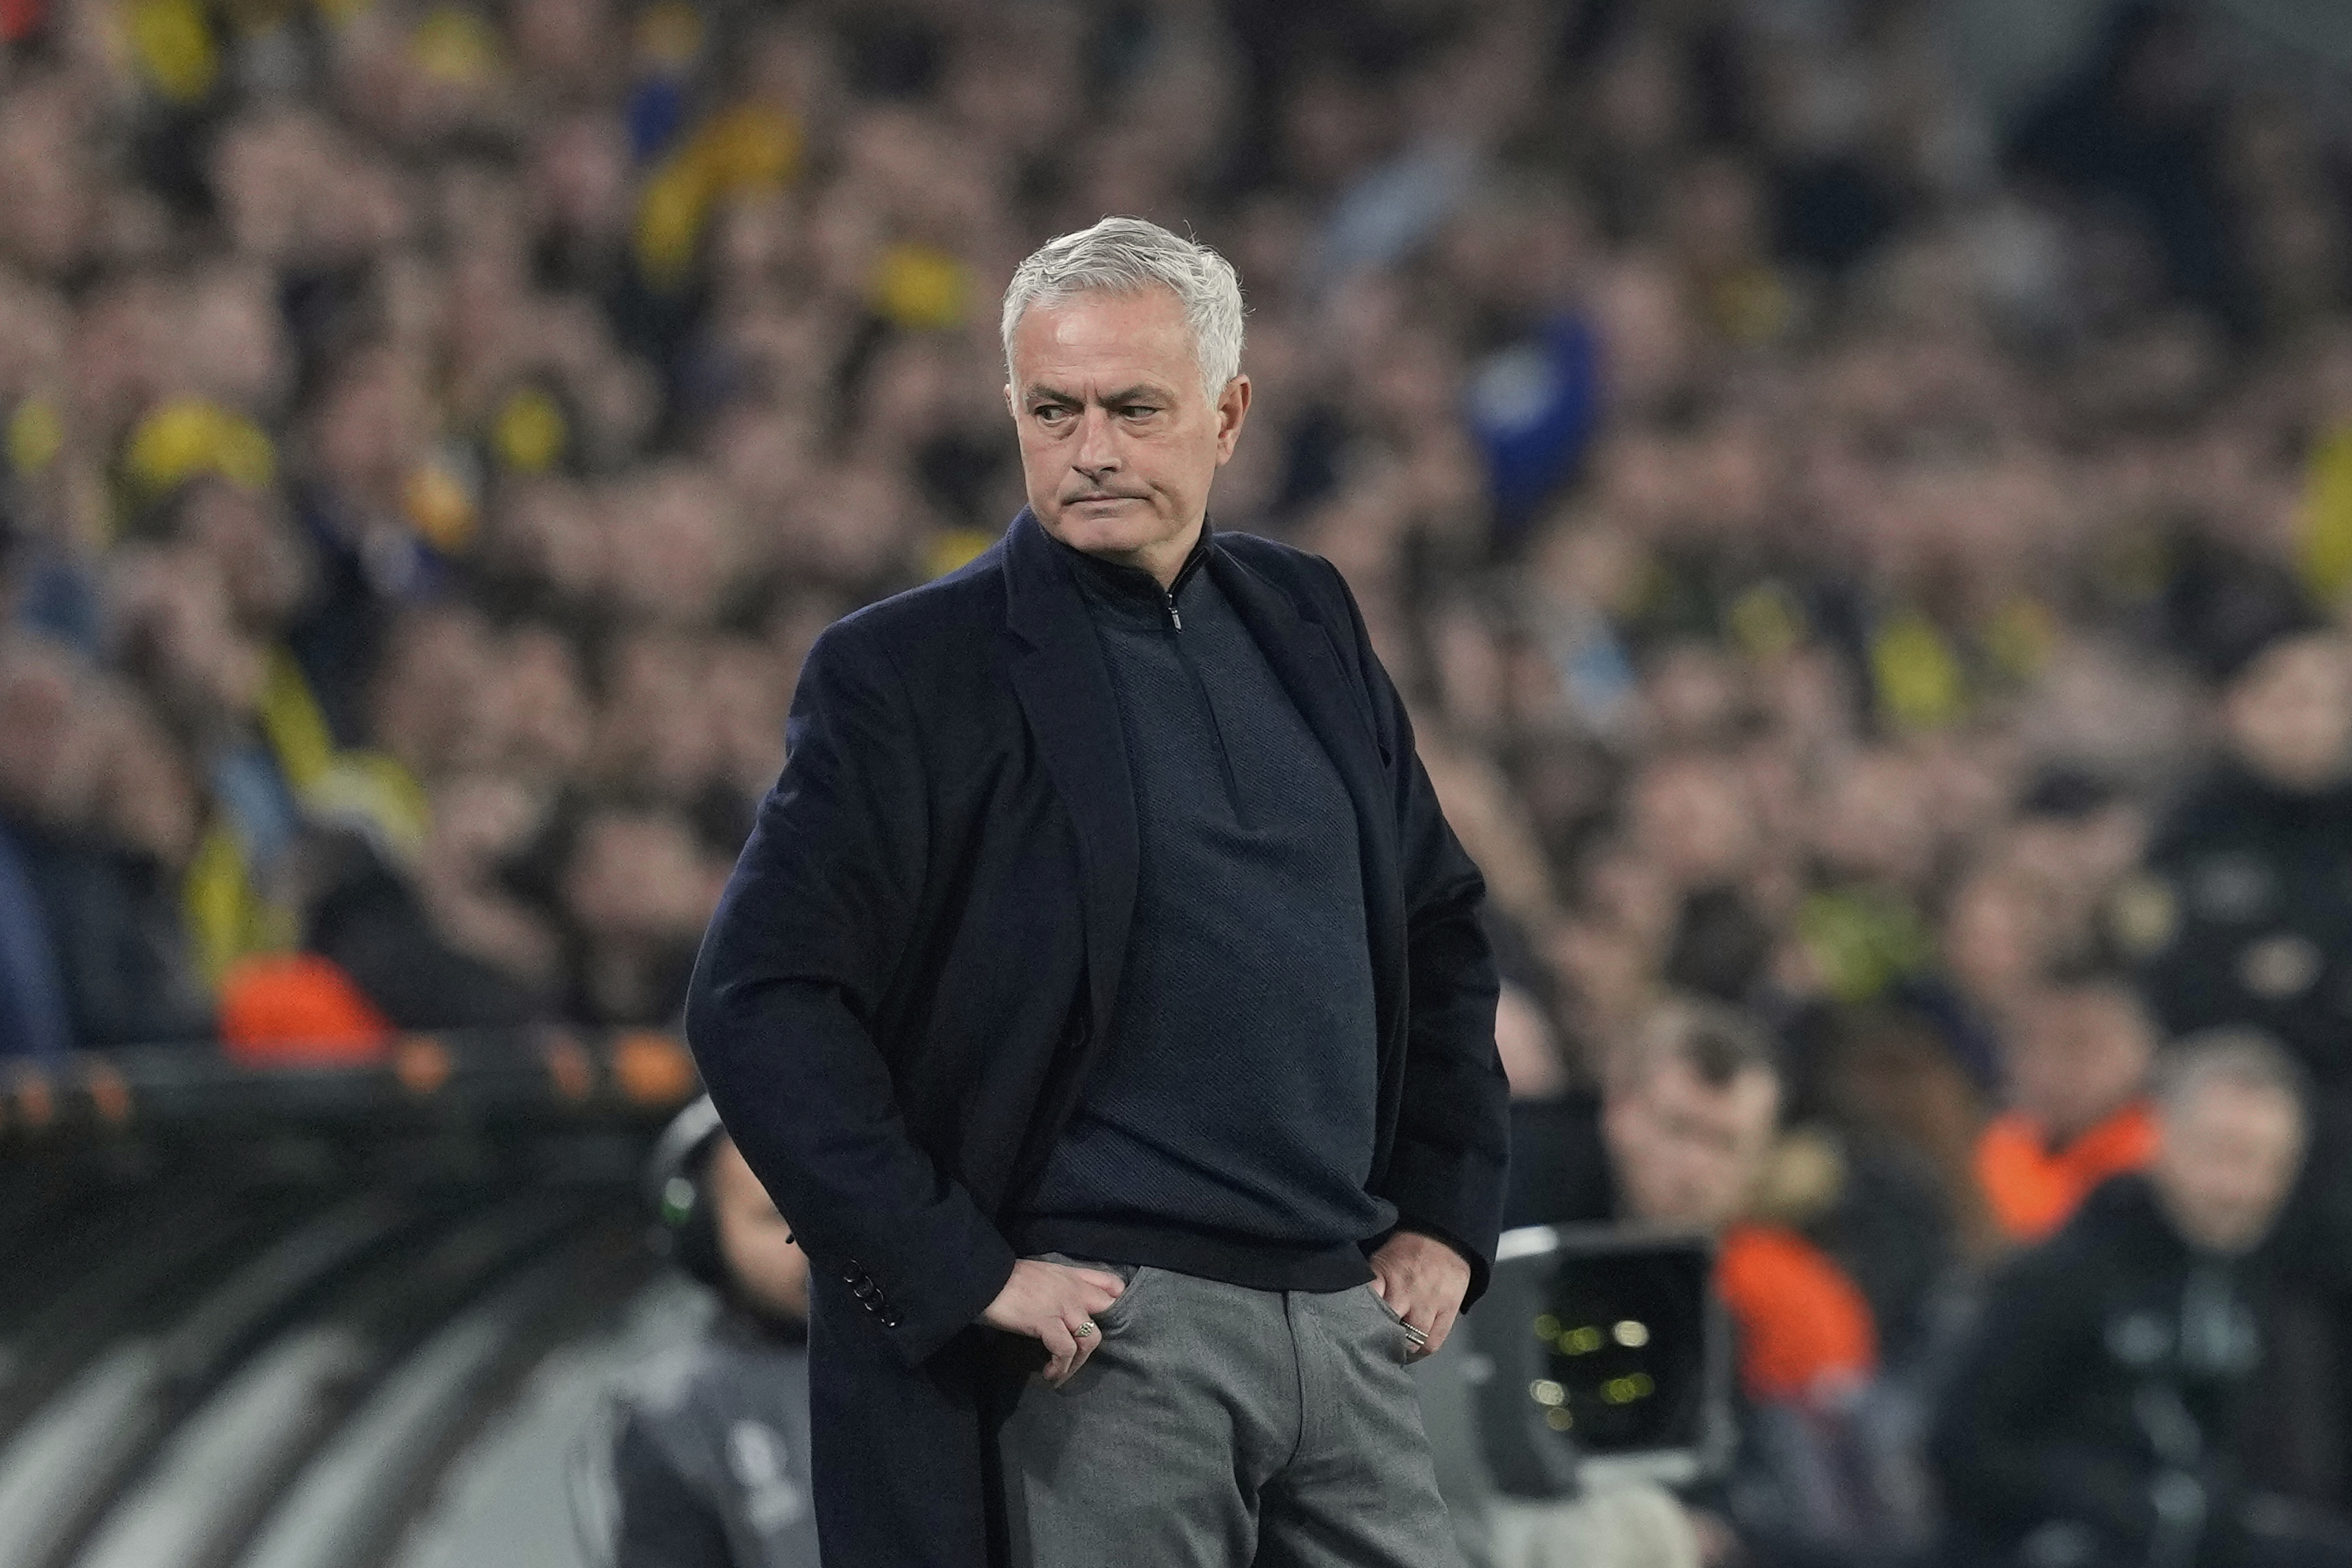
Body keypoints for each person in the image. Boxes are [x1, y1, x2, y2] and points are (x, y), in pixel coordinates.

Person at [685, 217, 1509, 1568]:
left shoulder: (1306, 615)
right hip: (1114, 1342)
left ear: (1228, 413)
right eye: (1053, 409)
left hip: (1344, 1315)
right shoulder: (907, 672)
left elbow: (1436, 922)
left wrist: (1443, 1207)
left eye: (1134, 407)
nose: (1092, 449)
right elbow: (758, 996)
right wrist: (959, 1266)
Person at [1931, 1032, 2352, 1568]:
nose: (2239, 1188)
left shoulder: (2269, 1284)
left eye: (2267, 1164)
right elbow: (1959, 1444)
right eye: (2221, 1154)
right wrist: (2117, 1503)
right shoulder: (2064, 1273)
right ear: (2160, 1140)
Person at [587, 1096, 820, 1568]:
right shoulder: (671, 1423)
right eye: (777, 1215)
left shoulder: (946, 1354)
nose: (815, 1239)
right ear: (703, 1234)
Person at [1975, 963, 2161, 1245]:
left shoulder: (2168, 1172)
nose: (2046, 1070)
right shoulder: (1991, 1156)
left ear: (2143, 1050)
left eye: (2078, 1045)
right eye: (2027, 1043)